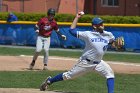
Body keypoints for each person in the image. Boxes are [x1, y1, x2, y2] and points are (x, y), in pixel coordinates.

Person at [39, 11, 115, 93]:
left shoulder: (108, 35)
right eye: (100, 24)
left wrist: (116, 45)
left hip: (99, 63)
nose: (102, 25)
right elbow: (72, 31)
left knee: (110, 75)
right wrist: (77, 17)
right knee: (68, 75)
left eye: (102, 23)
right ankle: (50, 81)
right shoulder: (88, 34)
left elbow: (112, 43)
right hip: (86, 62)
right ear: (94, 26)